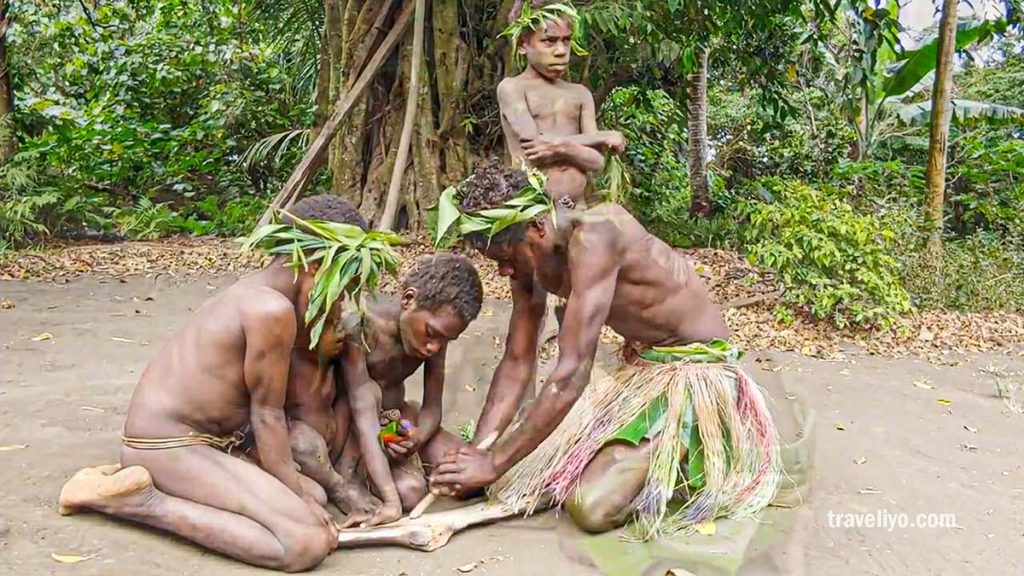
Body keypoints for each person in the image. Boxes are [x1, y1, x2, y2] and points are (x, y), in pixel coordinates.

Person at [428, 162, 782, 540]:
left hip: (693, 372)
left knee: (591, 507)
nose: (503, 272)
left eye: (505, 258)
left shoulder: (597, 236)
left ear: (536, 227)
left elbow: (572, 373)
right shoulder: (529, 257)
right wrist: (482, 454)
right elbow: (518, 361)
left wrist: (494, 462)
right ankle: (631, 451)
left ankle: (677, 449)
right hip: (642, 368)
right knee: (521, 469)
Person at [56, 196, 401, 571]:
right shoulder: (271, 311)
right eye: (343, 286)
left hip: (215, 444)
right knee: (305, 542)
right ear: (316, 268)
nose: (341, 304)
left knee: (314, 495)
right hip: (167, 445)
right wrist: (297, 501)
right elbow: (267, 416)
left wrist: (304, 494)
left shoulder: (265, 295)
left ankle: (155, 488)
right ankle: (141, 502)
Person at [289, 252, 484, 527]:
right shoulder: (361, 326)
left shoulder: (435, 339)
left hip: (393, 423)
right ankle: (352, 477)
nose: (434, 347)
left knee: (464, 476)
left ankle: (390, 462)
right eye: (432, 333)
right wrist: (391, 500)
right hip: (355, 428)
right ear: (408, 299)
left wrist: (417, 437)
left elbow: (432, 408)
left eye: (444, 340)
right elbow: (362, 406)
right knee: (408, 493)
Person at [497, 0, 627, 208]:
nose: (560, 50)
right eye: (549, 41)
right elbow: (535, 147)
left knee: (632, 230)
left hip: (579, 208)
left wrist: (560, 146)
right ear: (523, 45)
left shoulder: (580, 94)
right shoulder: (512, 88)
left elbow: (596, 162)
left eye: (566, 41)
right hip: (534, 211)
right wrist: (600, 136)